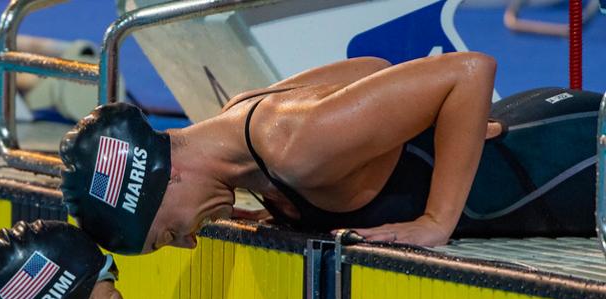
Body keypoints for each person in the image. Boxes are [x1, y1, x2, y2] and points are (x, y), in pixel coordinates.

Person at [58, 52, 599, 254]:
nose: (187, 243)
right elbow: (372, 70)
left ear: (165, 183)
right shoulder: (247, 127)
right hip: (544, 140)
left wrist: (436, 220)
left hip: (572, 158)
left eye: (166, 235)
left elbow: (468, 70)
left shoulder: (293, 147)